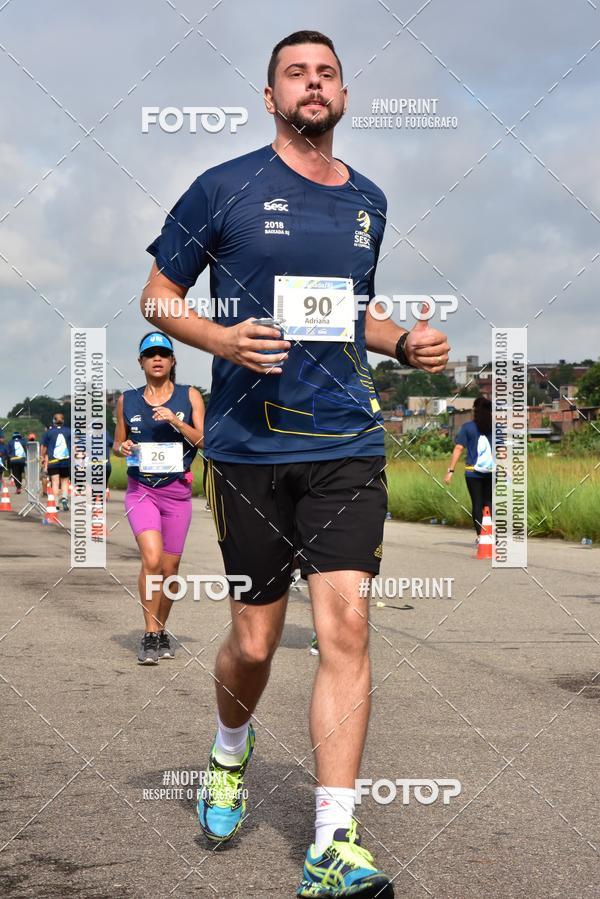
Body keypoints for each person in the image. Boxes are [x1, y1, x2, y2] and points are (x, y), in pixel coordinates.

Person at [141, 30, 449, 897]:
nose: (313, 84)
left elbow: (349, 312)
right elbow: (159, 297)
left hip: (346, 442)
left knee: (347, 628)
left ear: (343, 96)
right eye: (295, 73)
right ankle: (227, 753)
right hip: (248, 451)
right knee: (254, 642)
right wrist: (219, 339)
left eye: (327, 74)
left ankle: (332, 843)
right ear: (270, 96)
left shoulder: (369, 200)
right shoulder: (222, 186)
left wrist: (403, 342)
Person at [114, 332, 204, 665]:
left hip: (177, 493)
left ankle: (161, 629)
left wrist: (176, 421)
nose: (157, 359)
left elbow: (204, 440)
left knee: (169, 568)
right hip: (142, 490)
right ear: (140, 362)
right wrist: (122, 447)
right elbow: (117, 444)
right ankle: (150, 633)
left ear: (172, 360)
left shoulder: (189, 395)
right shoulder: (127, 400)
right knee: (151, 560)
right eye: (150, 354)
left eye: (163, 354)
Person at [445, 396, 493, 540]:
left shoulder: (467, 427)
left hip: (473, 473)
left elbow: (459, 448)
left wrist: (450, 471)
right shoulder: (496, 428)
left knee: (477, 503)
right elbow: (502, 450)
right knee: (488, 502)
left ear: (475, 410)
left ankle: (480, 536)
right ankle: (489, 533)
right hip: (491, 472)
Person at [41, 414, 72, 510]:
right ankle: (64, 498)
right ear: (63, 421)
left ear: (53, 421)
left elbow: (44, 447)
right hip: (66, 461)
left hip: (53, 462)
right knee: (65, 481)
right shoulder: (69, 431)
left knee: (55, 482)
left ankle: (56, 504)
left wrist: (42, 457)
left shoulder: (48, 432)